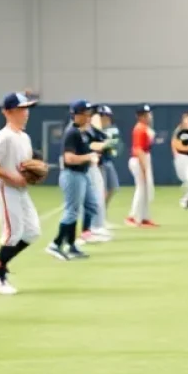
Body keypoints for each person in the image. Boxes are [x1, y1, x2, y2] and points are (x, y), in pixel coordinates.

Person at [0, 92, 42, 293]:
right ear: (8, 112)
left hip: (20, 190)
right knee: (12, 233)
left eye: (27, 109)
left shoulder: (24, 137)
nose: (26, 113)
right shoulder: (3, 136)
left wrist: (32, 170)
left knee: (32, 232)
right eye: (21, 109)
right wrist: (10, 176)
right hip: (5, 189)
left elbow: (25, 164)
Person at [48, 100, 99, 259]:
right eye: (86, 113)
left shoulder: (82, 131)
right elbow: (69, 158)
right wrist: (89, 157)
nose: (89, 116)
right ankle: (56, 244)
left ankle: (71, 244)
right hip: (72, 175)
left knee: (91, 205)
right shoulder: (72, 132)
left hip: (81, 174)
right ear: (77, 115)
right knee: (71, 211)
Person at [79, 107, 111, 244]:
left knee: (97, 196)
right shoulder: (78, 130)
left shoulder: (89, 128)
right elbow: (91, 145)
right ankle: (87, 231)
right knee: (87, 201)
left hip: (93, 165)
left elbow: (98, 136)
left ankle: (95, 227)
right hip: (84, 167)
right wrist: (104, 144)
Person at [126, 105, 157, 227]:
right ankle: (133, 216)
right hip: (139, 159)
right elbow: (138, 149)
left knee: (145, 190)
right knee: (141, 188)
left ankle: (144, 217)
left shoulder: (145, 128)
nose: (150, 116)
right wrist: (144, 167)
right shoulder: (139, 129)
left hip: (144, 158)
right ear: (141, 116)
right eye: (147, 114)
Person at [96, 105, 120, 223]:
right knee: (102, 191)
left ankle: (102, 216)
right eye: (104, 116)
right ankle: (98, 220)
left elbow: (113, 144)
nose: (107, 119)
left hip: (108, 161)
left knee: (113, 188)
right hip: (100, 163)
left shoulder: (110, 129)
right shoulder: (95, 130)